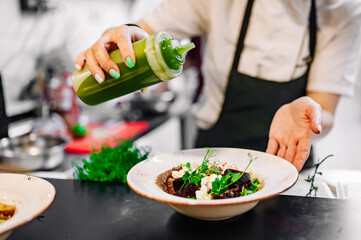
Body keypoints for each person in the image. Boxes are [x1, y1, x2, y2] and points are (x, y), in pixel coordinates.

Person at [75, 0, 361, 171]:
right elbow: (144, 32)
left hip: (291, 170)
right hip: (212, 161)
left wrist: (310, 113)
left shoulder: (342, 11)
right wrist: (123, 38)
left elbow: (326, 109)